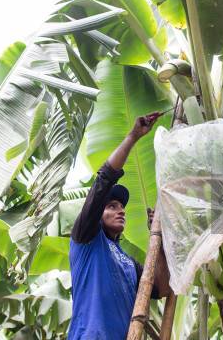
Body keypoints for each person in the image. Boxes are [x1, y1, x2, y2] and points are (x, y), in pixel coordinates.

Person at [68, 113, 171, 340]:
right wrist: (134, 137)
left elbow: (162, 288)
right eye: (112, 206)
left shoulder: (127, 262)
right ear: (98, 213)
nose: (121, 210)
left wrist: (159, 237)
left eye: (121, 206)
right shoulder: (86, 237)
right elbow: (105, 179)